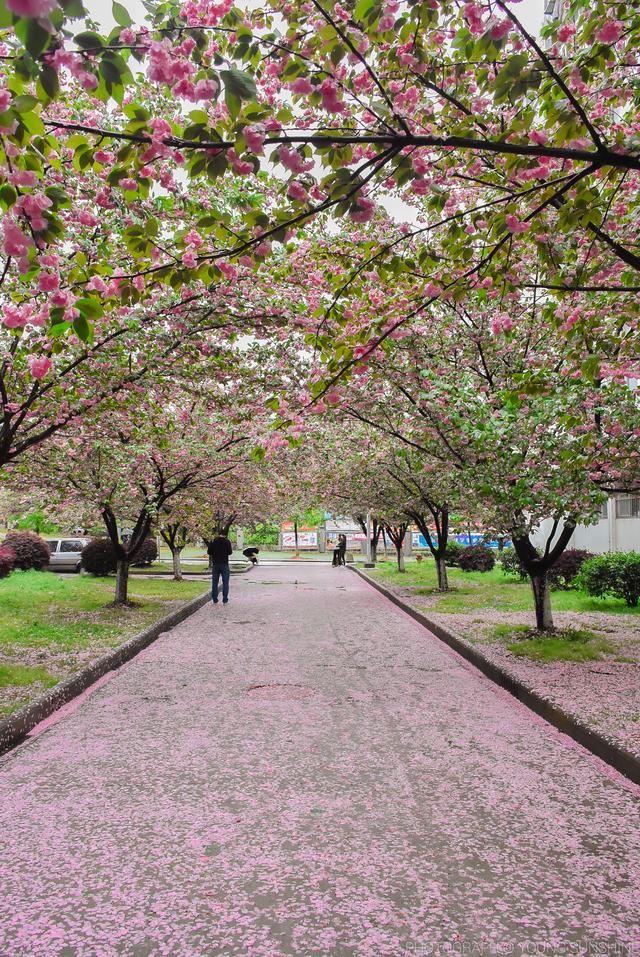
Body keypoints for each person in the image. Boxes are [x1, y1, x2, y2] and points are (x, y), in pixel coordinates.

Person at [207, 533, 233, 604]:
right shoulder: (227, 541)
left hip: (215, 564)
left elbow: (209, 552)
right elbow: (230, 552)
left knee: (214, 583)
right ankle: (225, 600)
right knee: (225, 583)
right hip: (224, 564)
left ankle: (214, 600)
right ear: (224, 535)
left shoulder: (213, 541)